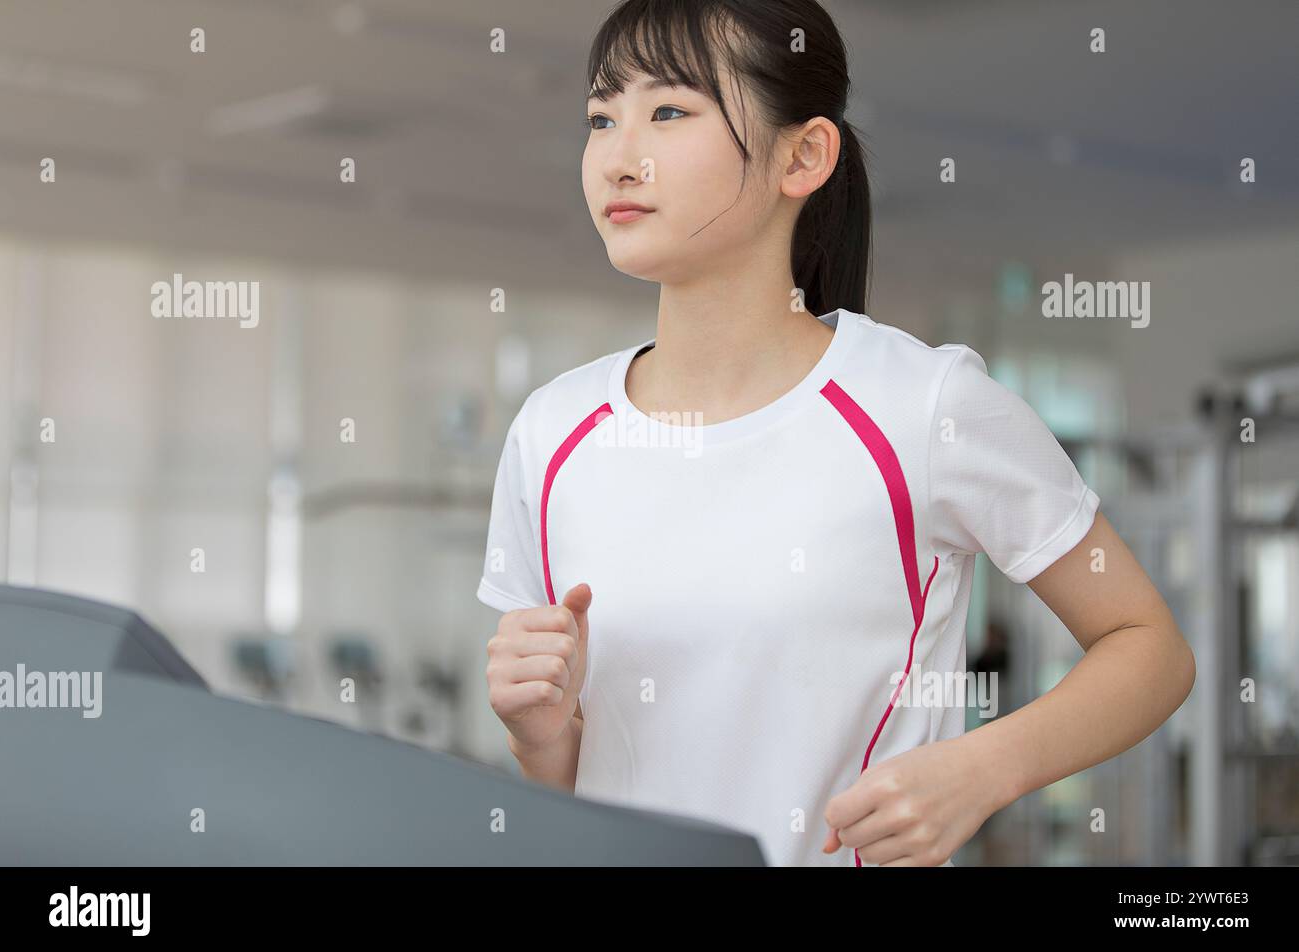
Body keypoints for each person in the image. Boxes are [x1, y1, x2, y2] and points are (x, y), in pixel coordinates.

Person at [477, 0, 1194, 867]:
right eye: (601, 117)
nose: (618, 158)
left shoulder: (925, 407)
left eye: (669, 110)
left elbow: (1149, 650)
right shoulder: (551, 431)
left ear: (803, 154)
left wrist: (978, 769)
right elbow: (575, 796)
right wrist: (540, 738)